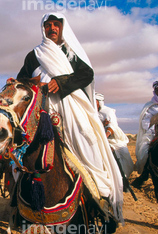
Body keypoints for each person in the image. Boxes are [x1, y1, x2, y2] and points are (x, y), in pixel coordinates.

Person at [16, 12, 124, 223]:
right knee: (24, 152)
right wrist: (34, 85)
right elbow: (22, 80)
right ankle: (18, 200)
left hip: (71, 110)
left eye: (56, 25)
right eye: (48, 25)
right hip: (42, 113)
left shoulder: (71, 52)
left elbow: (87, 74)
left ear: (62, 28)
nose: (52, 28)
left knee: (89, 145)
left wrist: (61, 82)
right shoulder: (34, 55)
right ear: (43, 28)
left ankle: (101, 197)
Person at [132, 80, 158, 188]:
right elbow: (145, 123)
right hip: (154, 133)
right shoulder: (150, 106)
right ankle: (145, 173)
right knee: (145, 152)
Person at [96, 92, 134, 180]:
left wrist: (105, 136)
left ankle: (123, 178)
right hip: (96, 138)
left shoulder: (108, 111)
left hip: (112, 139)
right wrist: (102, 125)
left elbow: (112, 125)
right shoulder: (90, 111)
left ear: (99, 102)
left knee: (123, 154)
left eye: (95, 102)